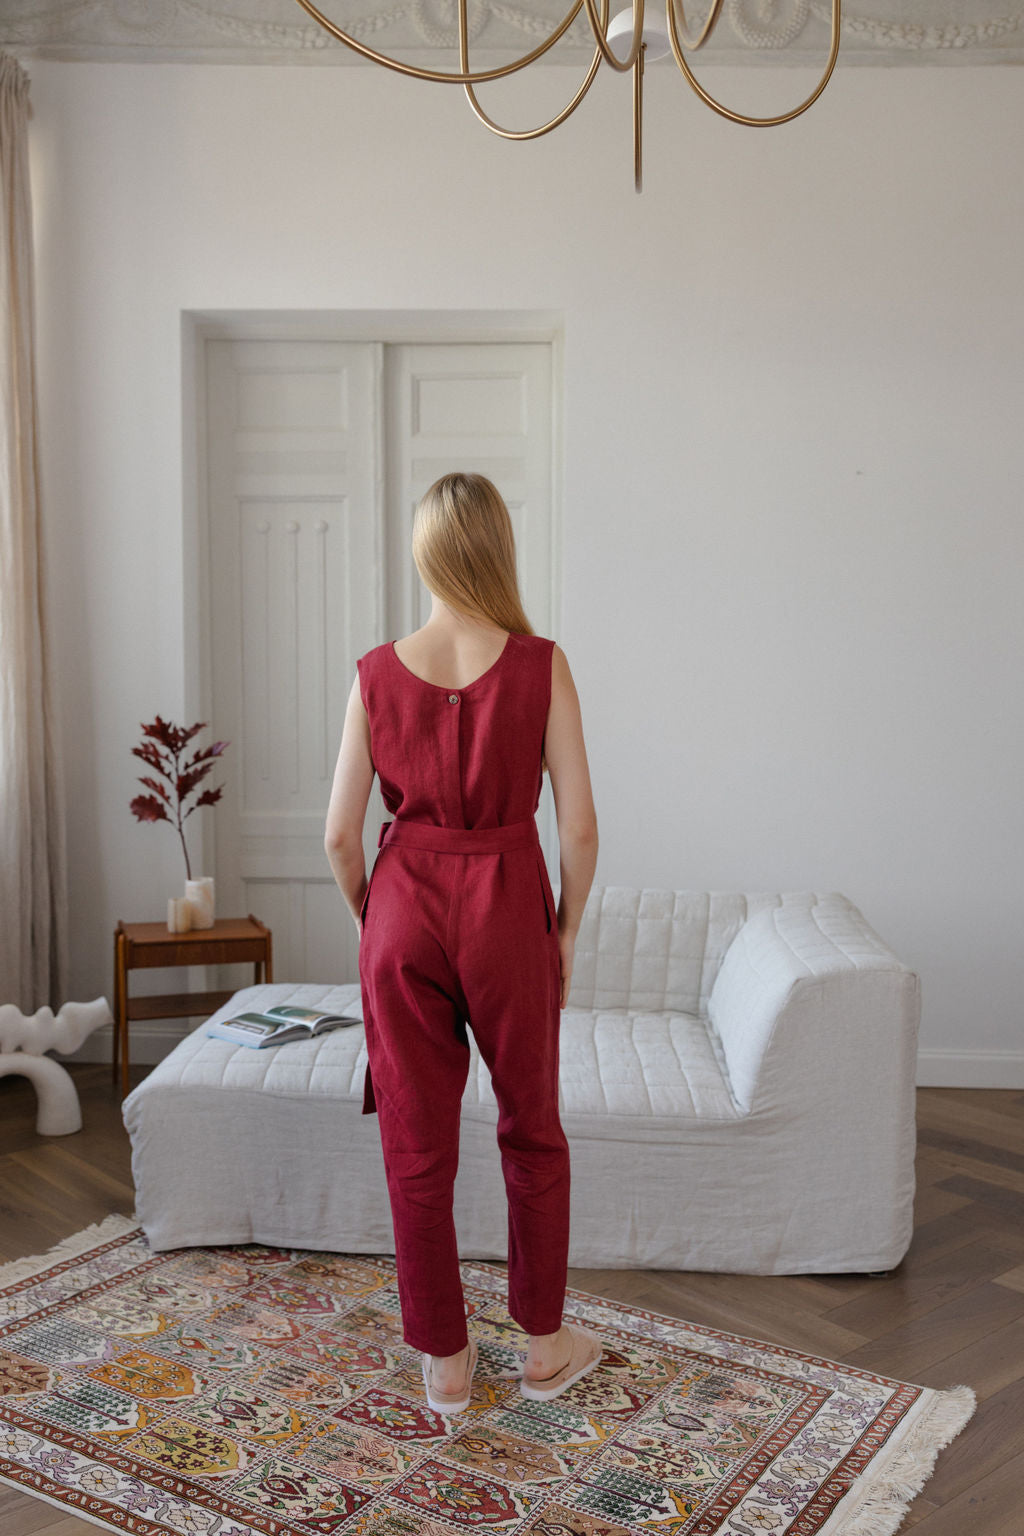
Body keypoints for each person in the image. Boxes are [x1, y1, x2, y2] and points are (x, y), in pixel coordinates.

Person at [324, 471, 600, 1414]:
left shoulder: (374, 671)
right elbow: (581, 830)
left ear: (426, 551)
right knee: (531, 1127)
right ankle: (544, 1348)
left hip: (404, 900)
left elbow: (336, 835)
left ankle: (444, 1362)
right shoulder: (541, 663)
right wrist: (561, 930)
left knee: (416, 1136)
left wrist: (378, 918)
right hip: (506, 903)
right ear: (496, 549)